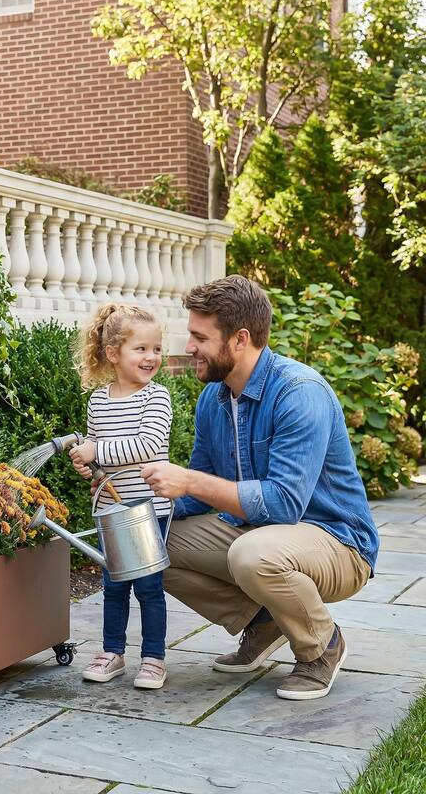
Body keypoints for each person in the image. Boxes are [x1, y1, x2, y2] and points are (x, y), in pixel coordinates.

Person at [141, 275, 378, 700]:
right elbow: (197, 494)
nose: (188, 346)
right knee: (149, 543)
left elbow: (284, 504)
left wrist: (190, 479)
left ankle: (321, 646)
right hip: (259, 533)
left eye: (200, 336)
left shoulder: (299, 392)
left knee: (252, 555)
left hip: (338, 542)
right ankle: (264, 622)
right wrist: (140, 488)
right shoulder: (213, 398)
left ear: (239, 339)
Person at [69, 303, 173, 690]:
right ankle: (112, 652)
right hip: (112, 510)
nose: (151, 357)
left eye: (156, 349)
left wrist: (97, 452)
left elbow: (148, 445)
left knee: (148, 587)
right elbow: (99, 454)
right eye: (141, 349)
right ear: (114, 354)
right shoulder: (98, 400)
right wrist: (89, 468)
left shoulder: (156, 398)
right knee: (113, 586)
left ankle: (153, 658)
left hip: (148, 510)